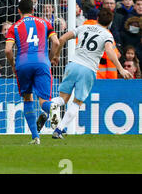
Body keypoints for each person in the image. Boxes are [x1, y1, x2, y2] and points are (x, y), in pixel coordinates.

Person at [49, 8, 133, 139]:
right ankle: (59, 130)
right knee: (77, 102)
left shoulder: (84, 27)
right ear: (110, 23)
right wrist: (121, 68)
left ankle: (50, 105)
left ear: (97, 18)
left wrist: (57, 54)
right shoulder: (107, 35)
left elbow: (62, 38)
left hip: (72, 64)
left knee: (62, 99)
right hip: (88, 69)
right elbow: (110, 51)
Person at [4, 0, 60, 145]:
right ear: (33, 10)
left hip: (23, 64)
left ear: (19, 11)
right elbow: (56, 42)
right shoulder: (45, 22)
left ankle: (35, 137)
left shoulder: (14, 27)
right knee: (43, 101)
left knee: (28, 99)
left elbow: (8, 50)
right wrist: (50, 57)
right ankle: (54, 110)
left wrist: (12, 63)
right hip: (42, 62)